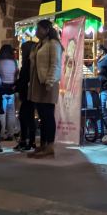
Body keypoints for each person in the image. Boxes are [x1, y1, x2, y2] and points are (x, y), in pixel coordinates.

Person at [27, 20, 62, 159]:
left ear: (46, 29)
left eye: (39, 29)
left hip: (48, 83)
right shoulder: (39, 45)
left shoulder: (53, 44)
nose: (36, 31)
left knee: (48, 115)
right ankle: (43, 144)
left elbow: (56, 64)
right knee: (41, 115)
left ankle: (50, 146)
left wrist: (50, 81)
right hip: (38, 82)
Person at [15, 40, 36, 152]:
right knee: (28, 117)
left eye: (23, 50)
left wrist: (15, 86)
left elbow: (24, 79)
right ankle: (29, 140)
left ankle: (25, 141)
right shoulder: (30, 63)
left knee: (25, 117)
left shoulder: (28, 64)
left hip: (28, 94)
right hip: (30, 93)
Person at [0, 44, 19, 141]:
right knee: (11, 113)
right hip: (11, 89)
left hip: (2, 89)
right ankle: (10, 133)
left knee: (2, 113)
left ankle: (0, 134)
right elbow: (16, 75)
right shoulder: (14, 62)